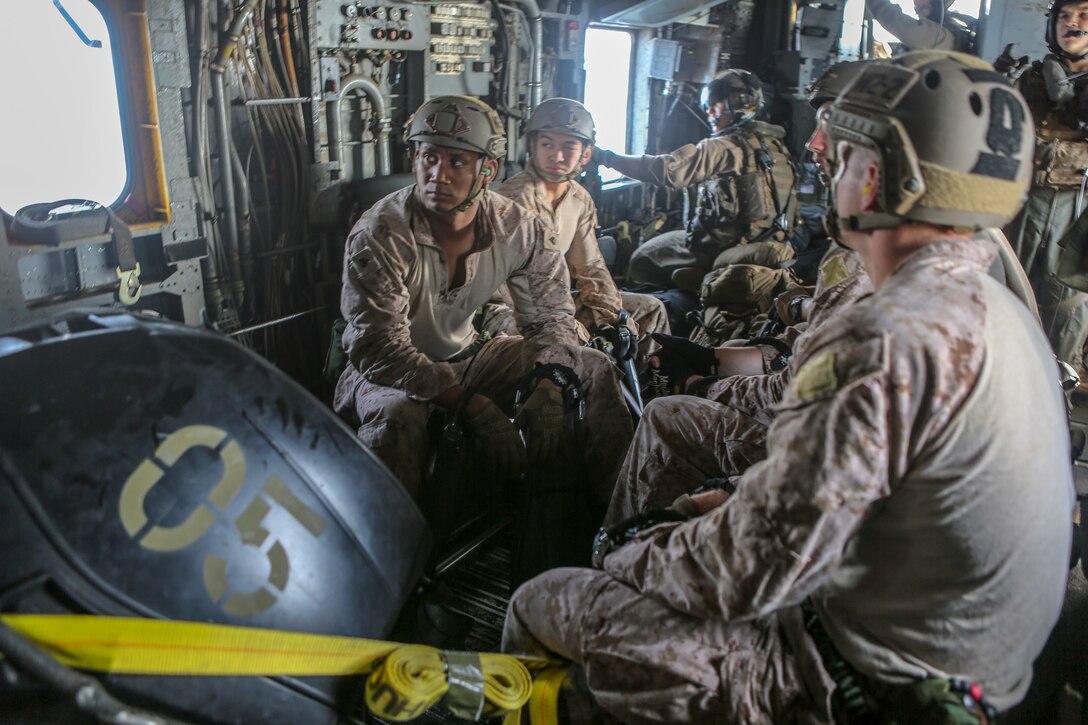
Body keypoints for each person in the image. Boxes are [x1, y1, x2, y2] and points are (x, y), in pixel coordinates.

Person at [503, 52, 1073, 723]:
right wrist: (736, 499)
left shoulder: (888, 333)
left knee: (545, 601)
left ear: (887, 178)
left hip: (863, 682)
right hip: (965, 658)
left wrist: (631, 552)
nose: (816, 146)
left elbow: (748, 570)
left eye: (846, 144)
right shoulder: (986, 299)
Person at [608, 60, 876, 522]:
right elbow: (801, 354)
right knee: (720, 343)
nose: (814, 142)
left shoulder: (865, 258)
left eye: (830, 127)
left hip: (819, 456)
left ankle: (626, 545)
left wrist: (708, 385)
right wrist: (713, 359)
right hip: (775, 251)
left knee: (641, 261)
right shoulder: (773, 142)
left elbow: (670, 172)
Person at [333, 95, 632, 502]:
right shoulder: (383, 232)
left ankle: (614, 518)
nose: (437, 174)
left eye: (456, 162)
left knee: (592, 366)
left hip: (469, 356)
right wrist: (471, 406)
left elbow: (550, 316)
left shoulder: (517, 228)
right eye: (428, 158)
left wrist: (549, 381)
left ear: (487, 170)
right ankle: (398, 552)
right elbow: (378, 348)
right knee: (397, 418)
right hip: (385, 373)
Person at [484, 98, 670, 354]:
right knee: (569, 334)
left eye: (568, 146)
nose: (557, 155)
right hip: (505, 309)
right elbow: (511, 285)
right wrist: (560, 319)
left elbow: (590, 268)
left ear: (585, 154)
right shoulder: (513, 201)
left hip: (555, 301)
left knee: (648, 310)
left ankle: (648, 388)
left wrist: (612, 319)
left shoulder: (578, 198)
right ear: (533, 146)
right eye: (547, 144)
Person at [596, 69, 796, 288]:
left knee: (642, 259)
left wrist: (606, 157)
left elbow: (667, 171)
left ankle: (673, 305)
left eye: (715, 103)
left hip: (722, 247)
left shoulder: (722, 148)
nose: (709, 110)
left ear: (734, 104)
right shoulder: (775, 147)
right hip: (766, 242)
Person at [1006, 0, 1088, 377]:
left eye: (1084, 15)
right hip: (1023, 201)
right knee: (1007, 284)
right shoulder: (1031, 78)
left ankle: (1058, 392)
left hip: (1077, 206)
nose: (1072, 23)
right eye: (1064, 16)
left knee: (1067, 301)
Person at [866, 0, 975, 53]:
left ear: (938, 7)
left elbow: (895, 21)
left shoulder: (939, 35)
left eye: (923, 8)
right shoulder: (947, 31)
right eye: (916, 8)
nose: (918, 14)